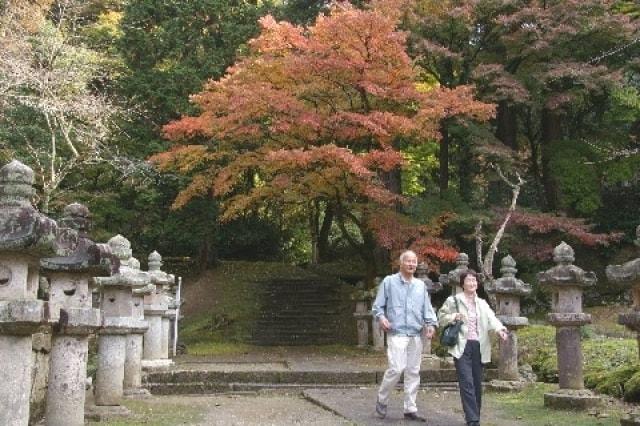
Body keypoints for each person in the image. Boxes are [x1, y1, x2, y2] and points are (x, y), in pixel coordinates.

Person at [372, 250, 437, 422]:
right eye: (408, 261)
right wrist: (382, 317)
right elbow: (377, 306)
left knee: (413, 371)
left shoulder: (420, 285)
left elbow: (427, 309)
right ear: (400, 263)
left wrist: (430, 324)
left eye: (414, 261)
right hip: (397, 332)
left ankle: (410, 408)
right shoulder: (389, 282)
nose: (411, 264)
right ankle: (382, 399)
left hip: (415, 334)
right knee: (396, 368)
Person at [437, 269, 508, 426]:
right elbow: (440, 318)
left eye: (474, 280)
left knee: (476, 383)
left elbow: (492, 319)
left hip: (479, 346)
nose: (472, 283)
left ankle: (475, 415)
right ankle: (472, 420)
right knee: (466, 382)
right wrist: (453, 316)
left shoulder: (482, 303)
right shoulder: (453, 300)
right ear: (462, 284)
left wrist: (500, 329)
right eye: (469, 280)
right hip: (461, 346)